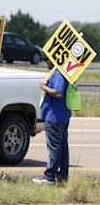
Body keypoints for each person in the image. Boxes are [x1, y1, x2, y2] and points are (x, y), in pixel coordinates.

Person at [32, 56, 71, 185]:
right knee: (62, 147)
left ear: (54, 60)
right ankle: (63, 176)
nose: (46, 62)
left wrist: (43, 86)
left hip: (55, 116)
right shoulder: (60, 72)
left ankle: (50, 177)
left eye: (47, 59)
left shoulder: (59, 73)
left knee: (54, 148)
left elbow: (58, 93)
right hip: (61, 116)